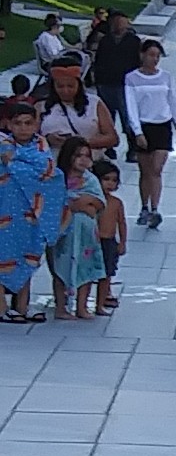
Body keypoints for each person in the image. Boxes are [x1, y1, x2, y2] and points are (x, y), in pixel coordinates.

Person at [0, 102, 65, 324]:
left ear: (36, 124)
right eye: (17, 123)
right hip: (5, 211)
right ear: (8, 124)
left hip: (31, 215)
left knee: (27, 257)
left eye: (28, 123)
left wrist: (16, 164)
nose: (23, 128)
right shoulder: (3, 146)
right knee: (2, 258)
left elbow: (48, 174)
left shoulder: (41, 149)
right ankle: (2, 308)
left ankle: (23, 306)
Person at [120, 39, 176, 230]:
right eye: (151, 55)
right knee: (145, 171)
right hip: (144, 126)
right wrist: (137, 131)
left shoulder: (167, 77)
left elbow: (173, 101)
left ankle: (155, 208)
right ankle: (144, 206)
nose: (155, 59)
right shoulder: (131, 78)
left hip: (163, 126)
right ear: (142, 55)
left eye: (158, 56)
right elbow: (131, 106)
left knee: (156, 169)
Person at [46, 139, 106, 318]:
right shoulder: (57, 177)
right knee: (59, 269)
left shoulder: (90, 180)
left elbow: (99, 202)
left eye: (87, 156)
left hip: (86, 234)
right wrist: (74, 205)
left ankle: (82, 306)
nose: (83, 160)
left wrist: (86, 201)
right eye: (78, 155)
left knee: (85, 270)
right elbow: (52, 201)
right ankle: (61, 307)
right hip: (62, 234)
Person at [85, 12, 143, 155]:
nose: (118, 25)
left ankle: (132, 147)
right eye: (116, 22)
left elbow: (137, 62)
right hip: (105, 82)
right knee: (107, 115)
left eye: (122, 22)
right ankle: (108, 147)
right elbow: (99, 60)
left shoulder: (134, 41)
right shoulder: (106, 41)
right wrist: (96, 78)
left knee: (127, 116)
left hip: (125, 84)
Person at [37, 54, 117, 157]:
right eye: (60, 86)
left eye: (70, 86)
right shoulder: (41, 106)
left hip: (88, 162)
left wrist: (80, 143)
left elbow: (112, 138)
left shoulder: (94, 103)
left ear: (79, 84)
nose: (66, 91)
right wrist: (47, 139)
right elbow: (29, 137)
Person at [92, 158, 124, 312]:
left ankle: (100, 303)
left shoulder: (116, 203)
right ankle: (80, 303)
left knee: (106, 274)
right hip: (92, 241)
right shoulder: (92, 200)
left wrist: (122, 242)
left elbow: (122, 223)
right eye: (106, 179)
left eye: (114, 180)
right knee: (86, 274)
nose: (110, 183)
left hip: (109, 241)